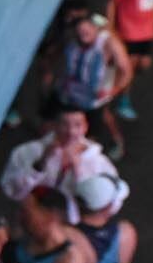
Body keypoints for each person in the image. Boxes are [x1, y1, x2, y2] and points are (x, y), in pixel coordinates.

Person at [0, 106, 123, 214]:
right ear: (54, 125)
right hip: (30, 220)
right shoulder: (28, 151)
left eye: (77, 125)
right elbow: (11, 190)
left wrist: (80, 174)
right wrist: (40, 164)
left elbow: (112, 204)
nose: (71, 132)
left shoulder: (100, 163)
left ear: (86, 127)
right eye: (64, 124)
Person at [47, 14, 134, 158]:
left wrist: (113, 90)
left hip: (93, 98)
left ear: (96, 30)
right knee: (56, 122)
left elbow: (126, 71)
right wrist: (50, 73)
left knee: (94, 130)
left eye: (87, 33)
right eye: (79, 33)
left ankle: (116, 141)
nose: (83, 37)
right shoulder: (70, 39)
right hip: (69, 94)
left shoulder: (108, 43)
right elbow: (54, 54)